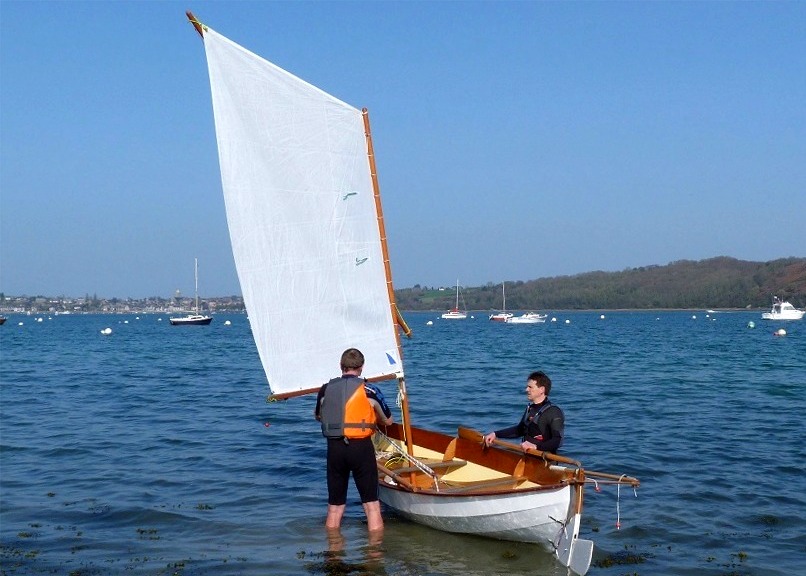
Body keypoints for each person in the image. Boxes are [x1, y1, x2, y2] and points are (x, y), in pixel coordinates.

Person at [314, 348, 393, 532]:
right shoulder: (370, 390)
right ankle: (374, 555)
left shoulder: (326, 389)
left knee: (334, 507)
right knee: (371, 505)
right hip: (361, 449)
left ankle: (333, 552)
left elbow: (318, 415)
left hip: (335, 449)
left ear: (341, 366)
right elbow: (388, 420)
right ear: (362, 367)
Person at [483, 371, 564, 454]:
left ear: (542, 389)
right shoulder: (530, 408)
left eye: (530, 387)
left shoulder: (553, 411)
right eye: (527, 386)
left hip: (544, 460)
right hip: (527, 455)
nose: (526, 389)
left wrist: (536, 447)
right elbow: (519, 430)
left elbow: (557, 440)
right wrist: (495, 434)